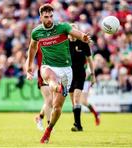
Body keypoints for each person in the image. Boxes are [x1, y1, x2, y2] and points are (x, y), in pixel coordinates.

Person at [25, 4, 91, 143]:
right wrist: (29, 64)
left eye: (50, 16)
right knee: (50, 78)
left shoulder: (62, 27)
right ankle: (58, 87)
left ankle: (48, 130)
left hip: (66, 69)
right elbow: (32, 48)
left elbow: (76, 33)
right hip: (48, 66)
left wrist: (83, 37)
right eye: (46, 17)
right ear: (40, 17)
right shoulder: (36, 32)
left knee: (57, 108)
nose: (49, 19)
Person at [68, 24, 98, 132]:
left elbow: (90, 60)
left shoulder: (83, 43)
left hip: (80, 74)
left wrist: (93, 75)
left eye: (74, 30)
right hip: (68, 75)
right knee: (73, 102)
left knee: (77, 99)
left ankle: (78, 126)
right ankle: (77, 123)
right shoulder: (65, 44)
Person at [35, 47, 52, 131]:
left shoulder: (52, 43)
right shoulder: (38, 44)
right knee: (48, 99)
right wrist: (28, 70)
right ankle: (49, 124)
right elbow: (30, 56)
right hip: (42, 74)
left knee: (50, 101)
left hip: (52, 74)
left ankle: (39, 118)